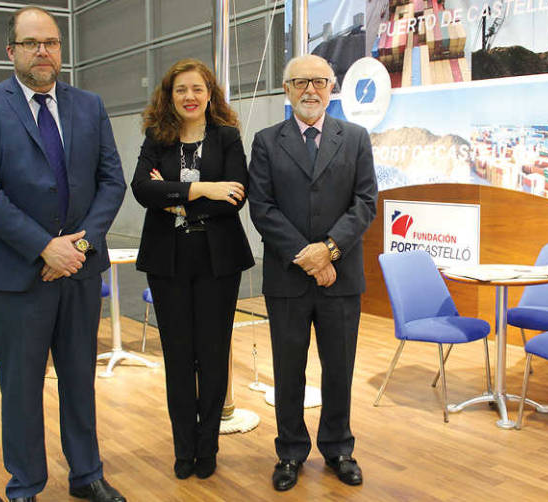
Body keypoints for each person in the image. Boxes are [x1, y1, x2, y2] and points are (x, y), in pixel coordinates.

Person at [0, 7, 126, 502]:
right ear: (11, 51)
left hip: (77, 272)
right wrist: (44, 248)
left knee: (79, 380)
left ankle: (87, 475)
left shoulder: (89, 105)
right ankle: (26, 484)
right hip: (16, 277)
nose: (43, 52)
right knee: (21, 388)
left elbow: (111, 181)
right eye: (32, 43)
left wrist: (79, 246)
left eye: (51, 42)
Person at [248, 54, 378, 491]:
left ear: (331, 87)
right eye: (300, 81)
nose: (310, 90)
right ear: (287, 89)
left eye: (319, 81)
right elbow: (262, 207)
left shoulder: (356, 138)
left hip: (341, 278)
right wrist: (306, 255)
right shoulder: (267, 142)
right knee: (288, 370)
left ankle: (339, 448)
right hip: (287, 279)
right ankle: (289, 452)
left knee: (338, 367)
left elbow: (365, 203)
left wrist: (329, 251)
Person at [130, 59, 254, 481]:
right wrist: (203, 188)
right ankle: (184, 448)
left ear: (210, 94)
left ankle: (208, 448)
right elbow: (142, 190)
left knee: (213, 355)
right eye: (181, 89)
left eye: (197, 89)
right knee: (179, 356)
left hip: (218, 259)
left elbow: (236, 194)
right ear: (170, 95)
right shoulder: (156, 137)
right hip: (168, 260)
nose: (189, 97)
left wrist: (173, 196)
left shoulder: (227, 137)